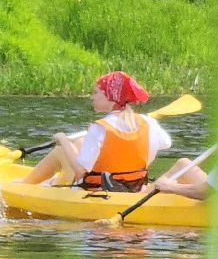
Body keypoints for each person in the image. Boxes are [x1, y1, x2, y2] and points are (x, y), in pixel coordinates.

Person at [21, 71, 173, 190]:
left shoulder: (100, 127)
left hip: (97, 190)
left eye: (95, 92)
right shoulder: (148, 122)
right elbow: (166, 144)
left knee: (61, 151)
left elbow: (80, 171)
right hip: (134, 187)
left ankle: (23, 186)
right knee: (80, 142)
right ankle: (55, 182)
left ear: (110, 97)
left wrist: (63, 140)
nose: (91, 97)